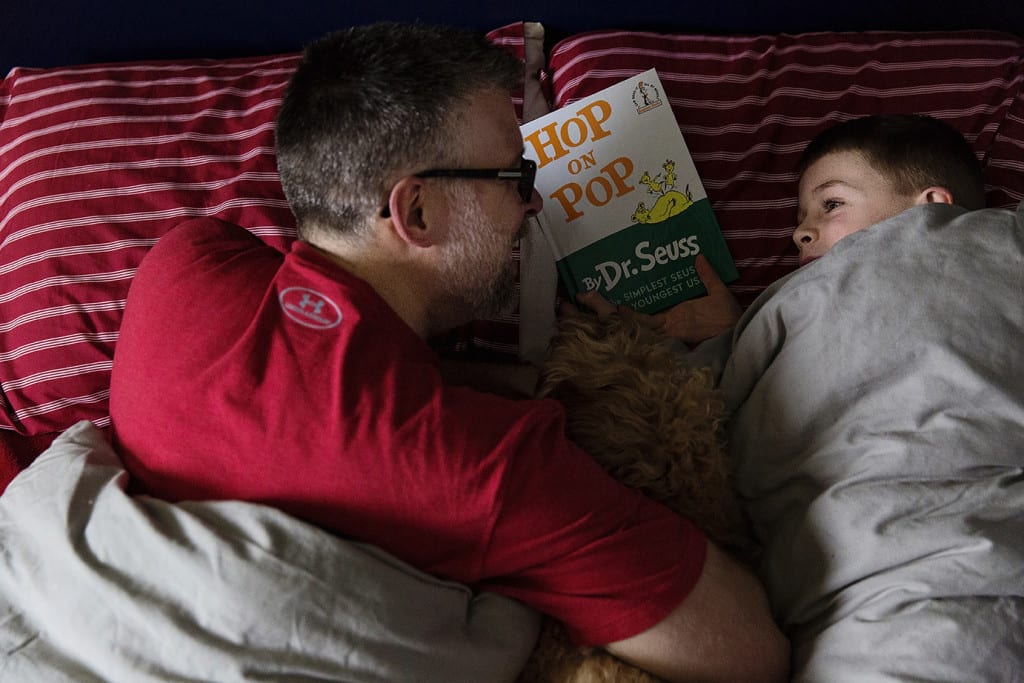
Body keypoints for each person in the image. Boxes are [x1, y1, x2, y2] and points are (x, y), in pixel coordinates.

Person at [108, 22, 788, 683]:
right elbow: (747, 647)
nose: (532, 202)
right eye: (513, 177)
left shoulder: (183, 262)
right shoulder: (487, 466)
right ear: (418, 212)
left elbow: (324, 382)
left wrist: (515, 379)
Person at [579, 113, 986, 342]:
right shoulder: (788, 310)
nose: (799, 234)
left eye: (831, 204)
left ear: (931, 207)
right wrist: (734, 337)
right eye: (800, 219)